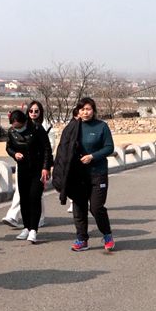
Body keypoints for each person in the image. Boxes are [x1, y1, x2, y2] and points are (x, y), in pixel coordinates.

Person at [57, 98, 115, 252]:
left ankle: (107, 234)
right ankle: (82, 239)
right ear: (78, 111)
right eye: (82, 109)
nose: (85, 112)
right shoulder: (73, 127)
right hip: (78, 175)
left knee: (96, 207)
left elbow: (109, 147)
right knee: (79, 207)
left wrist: (92, 156)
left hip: (98, 173)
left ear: (93, 110)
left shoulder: (101, 126)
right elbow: (63, 148)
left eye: (88, 109)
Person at [2, 101, 53, 228]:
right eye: (31, 111)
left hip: (39, 165)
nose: (33, 113)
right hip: (23, 164)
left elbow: (48, 147)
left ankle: (38, 219)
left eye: (36, 111)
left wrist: (46, 166)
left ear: (41, 112)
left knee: (36, 195)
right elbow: (9, 146)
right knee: (21, 192)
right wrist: (15, 154)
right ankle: (15, 217)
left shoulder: (44, 127)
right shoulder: (16, 127)